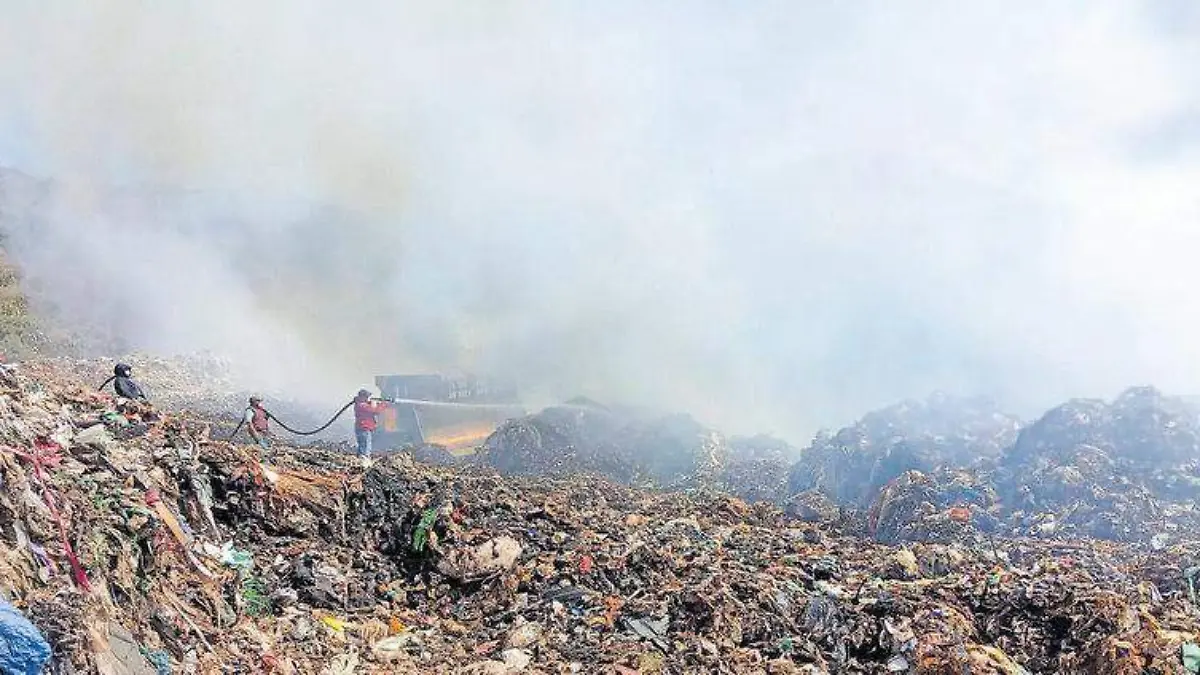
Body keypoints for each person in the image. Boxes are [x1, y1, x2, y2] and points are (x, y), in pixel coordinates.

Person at [353, 389, 387, 467]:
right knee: (366, 446)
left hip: (362, 428)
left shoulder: (361, 404)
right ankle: (364, 463)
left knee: (362, 446)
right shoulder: (362, 405)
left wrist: (376, 403)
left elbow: (373, 408)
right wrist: (383, 404)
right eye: (367, 396)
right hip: (364, 428)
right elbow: (376, 411)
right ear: (362, 397)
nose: (368, 398)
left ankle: (359, 461)